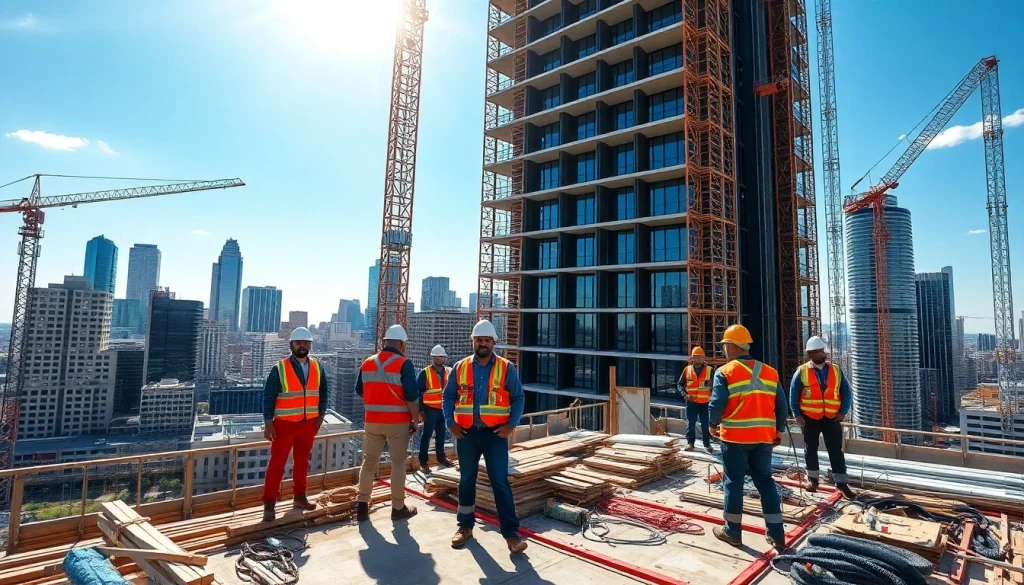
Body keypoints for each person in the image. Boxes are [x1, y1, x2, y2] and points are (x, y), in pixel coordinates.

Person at [443, 319, 528, 554]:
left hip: (495, 435)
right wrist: (451, 423)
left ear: (493, 343)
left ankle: (511, 534)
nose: (483, 343)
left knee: (500, 482)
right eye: (479, 339)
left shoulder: (505, 367)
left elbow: (518, 397)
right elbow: (448, 397)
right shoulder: (460, 367)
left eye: (487, 340)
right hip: (467, 434)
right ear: (473, 341)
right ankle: (465, 526)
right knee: (466, 480)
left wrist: (512, 425)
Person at [708, 324, 788, 550]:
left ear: (732, 346)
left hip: (735, 439)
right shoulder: (770, 372)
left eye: (725, 346)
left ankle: (732, 531)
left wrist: (713, 425)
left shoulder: (725, 372)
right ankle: (777, 535)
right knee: (765, 482)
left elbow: (716, 405)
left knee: (733, 483)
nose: (724, 350)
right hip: (763, 439)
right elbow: (781, 407)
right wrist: (778, 431)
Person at [261, 326, 328, 522]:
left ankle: (299, 497)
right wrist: (268, 423)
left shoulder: (317, 366)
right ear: (291, 345)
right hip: (284, 424)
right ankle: (269, 504)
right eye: (298, 342)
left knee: (302, 462)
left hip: (308, 423)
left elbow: (323, 392)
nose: (302, 345)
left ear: (310, 345)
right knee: (277, 464)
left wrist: (320, 416)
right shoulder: (280, 368)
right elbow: (269, 396)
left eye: (305, 342)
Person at [354, 324, 420, 522]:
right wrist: (415, 419)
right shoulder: (403, 364)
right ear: (402, 344)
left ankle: (362, 507)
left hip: (372, 421)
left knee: (369, 462)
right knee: (398, 464)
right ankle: (398, 507)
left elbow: (359, 390)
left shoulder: (367, 363)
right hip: (397, 422)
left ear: (384, 342)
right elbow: (412, 397)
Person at [790, 336, 856, 499]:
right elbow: (793, 394)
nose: (816, 354)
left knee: (835, 451)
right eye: (813, 352)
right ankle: (812, 480)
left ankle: (841, 483)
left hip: (832, 418)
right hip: (809, 418)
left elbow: (846, 392)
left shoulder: (835, 370)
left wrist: (843, 411)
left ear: (823, 352)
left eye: (819, 351)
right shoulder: (802, 371)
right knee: (810, 449)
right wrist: (797, 415)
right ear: (809, 354)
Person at [417, 344, 454, 471]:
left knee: (441, 434)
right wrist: (421, 410)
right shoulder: (425, 372)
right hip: (430, 409)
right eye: (438, 356)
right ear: (433, 358)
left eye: (442, 356)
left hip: (443, 409)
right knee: (426, 435)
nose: (440, 359)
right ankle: (423, 461)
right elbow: (419, 392)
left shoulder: (449, 371)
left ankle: (441, 457)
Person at [677, 346, 713, 452]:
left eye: (699, 357)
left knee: (705, 423)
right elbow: (680, 384)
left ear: (703, 358)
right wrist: (685, 395)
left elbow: (714, 385)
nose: (697, 359)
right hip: (691, 402)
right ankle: (690, 444)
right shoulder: (687, 370)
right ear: (692, 358)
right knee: (690, 423)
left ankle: (707, 444)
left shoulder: (710, 370)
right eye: (695, 357)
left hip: (704, 402)